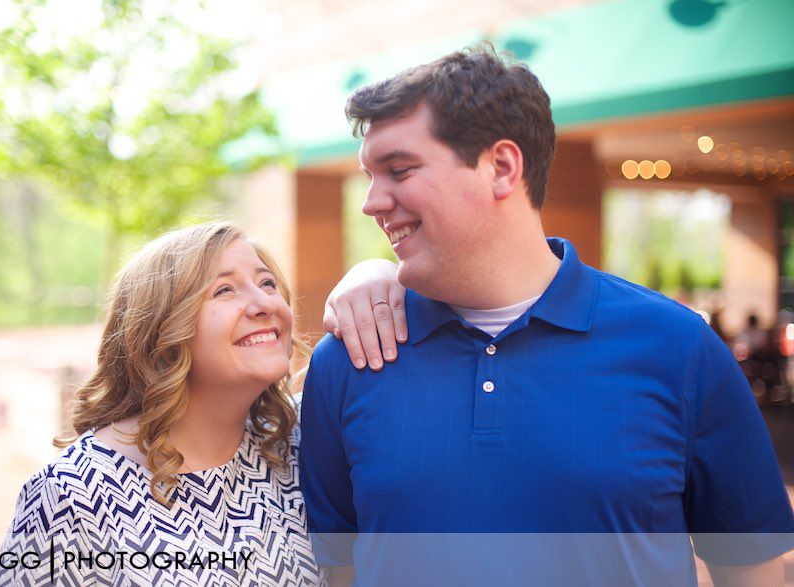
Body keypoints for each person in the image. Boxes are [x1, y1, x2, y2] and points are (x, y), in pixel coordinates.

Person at [302, 45, 794, 586]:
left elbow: (753, 566)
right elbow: (338, 570)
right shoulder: (348, 361)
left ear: (502, 167)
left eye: (398, 170)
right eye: (370, 176)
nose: (371, 202)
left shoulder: (679, 347)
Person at [0, 222, 397, 586]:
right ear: (161, 329)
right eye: (224, 289)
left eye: (268, 283)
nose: (265, 304)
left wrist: (377, 271)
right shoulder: (71, 494)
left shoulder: (302, 449)